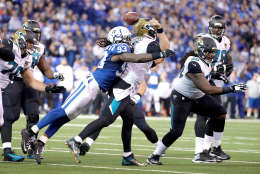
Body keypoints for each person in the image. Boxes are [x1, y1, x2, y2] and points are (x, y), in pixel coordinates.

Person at [21, 26, 174, 164]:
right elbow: (134, 57)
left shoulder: (117, 46)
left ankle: (41, 141)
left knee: (66, 116)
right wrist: (159, 53)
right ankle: (31, 131)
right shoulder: (120, 48)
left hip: (96, 87)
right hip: (91, 83)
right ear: (120, 39)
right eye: (126, 38)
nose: (129, 40)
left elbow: (134, 56)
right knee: (64, 111)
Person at [66, 18, 171, 165]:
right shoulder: (149, 43)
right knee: (106, 119)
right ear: (150, 30)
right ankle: (76, 140)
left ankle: (127, 155)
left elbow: (149, 57)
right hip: (123, 88)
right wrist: (160, 32)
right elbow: (163, 52)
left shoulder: (135, 42)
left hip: (126, 86)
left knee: (128, 121)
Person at [146, 36, 247, 165]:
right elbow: (208, 89)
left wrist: (216, 74)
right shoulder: (193, 63)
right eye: (208, 52)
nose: (211, 55)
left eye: (213, 52)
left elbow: (206, 73)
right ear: (200, 51)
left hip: (197, 96)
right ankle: (154, 156)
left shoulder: (205, 62)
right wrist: (232, 88)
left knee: (220, 113)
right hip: (182, 97)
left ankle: (213, 149)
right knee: (176, 132)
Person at [0, 29, 65, 162]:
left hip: (2, 87)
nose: (31, 45)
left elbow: (30, 81)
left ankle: (7, 152)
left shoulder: (27, 58)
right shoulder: (10, 45)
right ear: (22, 40)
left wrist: (48, 88)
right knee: (6, 117)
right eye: (29, 42)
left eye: (32, 43)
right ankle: (7, 152)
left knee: (3, 119)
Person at [192, 15, 234, 162]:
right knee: (204, 115)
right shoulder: (202, 38)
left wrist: (226, 72)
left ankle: (212, 148)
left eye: (220, 27)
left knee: (219, 114)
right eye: (215, 27)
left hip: (216, 82)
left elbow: (227, 60)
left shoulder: (226, 41)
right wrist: (213, 71)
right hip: (204, 80)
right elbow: (195, 59)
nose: (217, 30)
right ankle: (201, 151)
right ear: (210, 27)